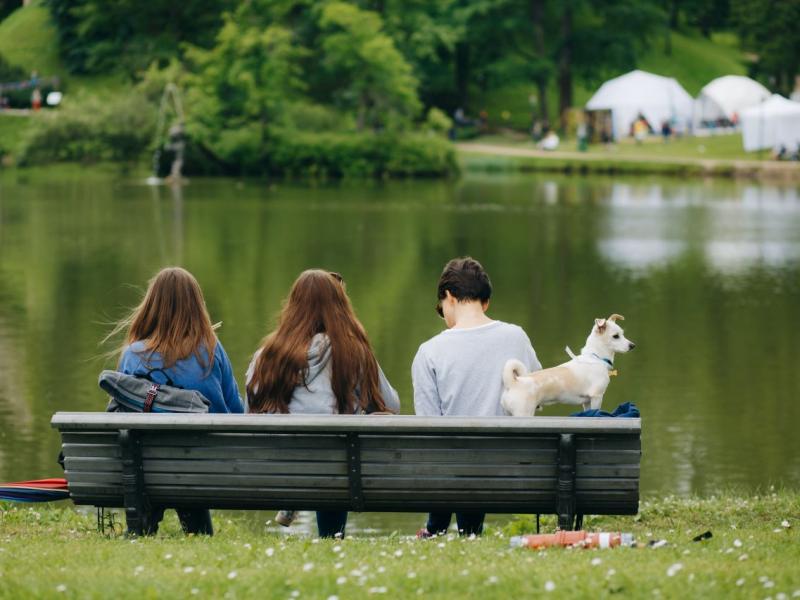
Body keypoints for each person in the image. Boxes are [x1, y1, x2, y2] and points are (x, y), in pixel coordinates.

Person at [246, 269, 399, 538]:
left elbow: (251, 410)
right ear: (339, 308)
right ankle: (332, 537)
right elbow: (391, 405)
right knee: (337, 449)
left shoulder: (266, 356)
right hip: (338, 469)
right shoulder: (353, 352)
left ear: (292, 306)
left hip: (280, 467)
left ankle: (293, 502)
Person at [412, 257, 541, 537]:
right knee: (471, 455)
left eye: (442, 308)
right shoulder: (516, 337)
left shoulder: (429, 351)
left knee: (451, 454)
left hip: (454, 470)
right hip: (510, 466)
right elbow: (537, 395)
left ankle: (437, 530)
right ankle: (467, 531)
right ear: (486, 302)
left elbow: (427, 424)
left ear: (449, 297)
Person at [111, 266, 244, 535]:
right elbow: (236, 413)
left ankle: (141, 530)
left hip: (145, 466)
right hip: (206, 466)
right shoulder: (210, 349)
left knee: (152, 461)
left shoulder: (132, 355)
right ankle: (198, 533)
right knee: (184, 460)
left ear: (151, 306)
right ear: (196, 306)